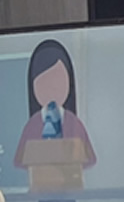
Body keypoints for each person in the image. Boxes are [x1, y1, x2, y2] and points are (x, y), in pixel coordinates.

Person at [15, 39, 98, 169]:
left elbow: (90, 159)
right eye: (44, 85)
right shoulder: (33, 125)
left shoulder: (73, 122)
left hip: (70, 180)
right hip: (41, 181)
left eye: (58, 83)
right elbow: (19, 161)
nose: (52, 90)